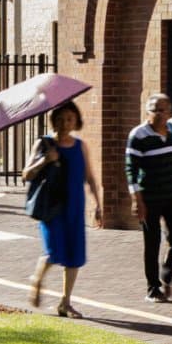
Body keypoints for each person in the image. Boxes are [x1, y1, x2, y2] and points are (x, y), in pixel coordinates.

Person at [24, 101, 102, 317]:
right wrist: (45, 161)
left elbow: (90, 177)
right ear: (53, 121)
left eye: (69, 119)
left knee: (74, 256)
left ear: (76, 121)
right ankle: (36, 280)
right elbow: (26, 174)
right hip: (52, 206)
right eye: (60, 119)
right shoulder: (44, 144)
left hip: (75, 206)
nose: (65, 123)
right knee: (54, 251)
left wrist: (98, 204)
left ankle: (65, 303)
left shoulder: (80, 146)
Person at [125, 93, 172, 301]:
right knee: (152, 242)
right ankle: (153, 288)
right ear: (147, 111)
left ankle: (167, 272)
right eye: (155, 110)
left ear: (170, 113)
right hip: (149, 197)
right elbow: (131, 170)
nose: (159, 114)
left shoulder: (170, 131)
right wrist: (137, 200)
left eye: (163, 110)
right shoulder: (138, 135)